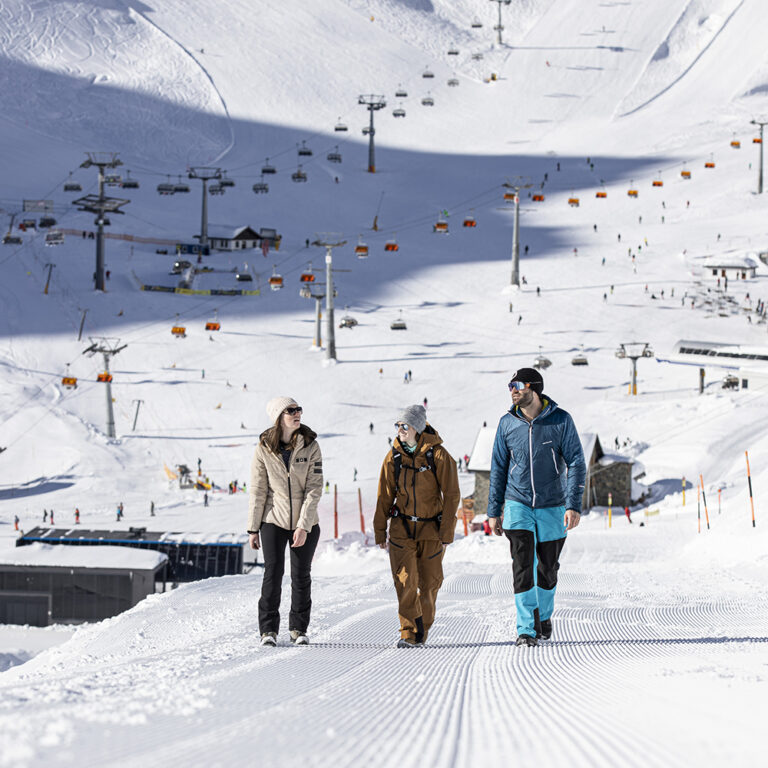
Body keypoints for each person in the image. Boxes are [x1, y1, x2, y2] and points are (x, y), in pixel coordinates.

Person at [487, 368, 586, 646]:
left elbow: (577, 462)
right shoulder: (507, 423)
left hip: (552, 504)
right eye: (510, 386)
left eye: (517, 385)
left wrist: (573, 504)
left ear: (535, 388)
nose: (512, 390)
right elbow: (498, 468)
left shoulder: (560, 420)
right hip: (517, 504)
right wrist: (494, 510)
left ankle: (543, 616)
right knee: (522, 565)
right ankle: (526, 628)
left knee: (548, 568)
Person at [374, 405, 460, 647]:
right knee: (405, 581)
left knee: (430, 583)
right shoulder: (394, 457)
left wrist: (446, 533)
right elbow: (384, 496)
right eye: (398, 426)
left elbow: (452, 495)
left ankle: (422, 626)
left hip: (431, 529)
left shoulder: (439, 456)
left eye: (405, 426)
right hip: (402, 529)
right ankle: (409, 633)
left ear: (418, 428)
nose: (400, 430)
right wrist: (381, 530)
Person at [248, 397, 323, 647]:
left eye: (299, 409)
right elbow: (258, 490)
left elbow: (314, 489)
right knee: (273, 573)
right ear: (279, 417)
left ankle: (298, 629)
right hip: (274, 520)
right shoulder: (263, 448)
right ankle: (268, 630)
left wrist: (303, 525)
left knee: (301, 575)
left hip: (306, 521)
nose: (297, 413)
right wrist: (252, 528)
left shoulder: (311, 445)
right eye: (291, 410)